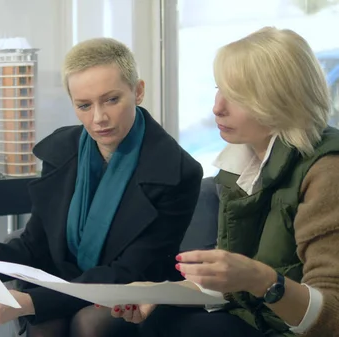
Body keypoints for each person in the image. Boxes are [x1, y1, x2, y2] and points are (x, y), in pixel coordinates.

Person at [0, 37, 203, 337]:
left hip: (136, 297)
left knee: (91, 324)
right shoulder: (62, 150)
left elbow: (130, 273)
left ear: (138, 91)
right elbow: (34, 245)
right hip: (67, 283)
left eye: (111, 100)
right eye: (84, 105)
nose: (98, 118)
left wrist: (33, 302)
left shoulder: (177, 172)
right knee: (47, 324)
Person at [109, 27, 339, 337]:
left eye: (238, 96)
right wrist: (160, 290)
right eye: (220, 89)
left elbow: (331, 317)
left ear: (282, 99)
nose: (217, 107)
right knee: (147, 322)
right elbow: (234, 283)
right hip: (258, 319)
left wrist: (261, 280)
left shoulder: (327, 172)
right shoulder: (241, 163)